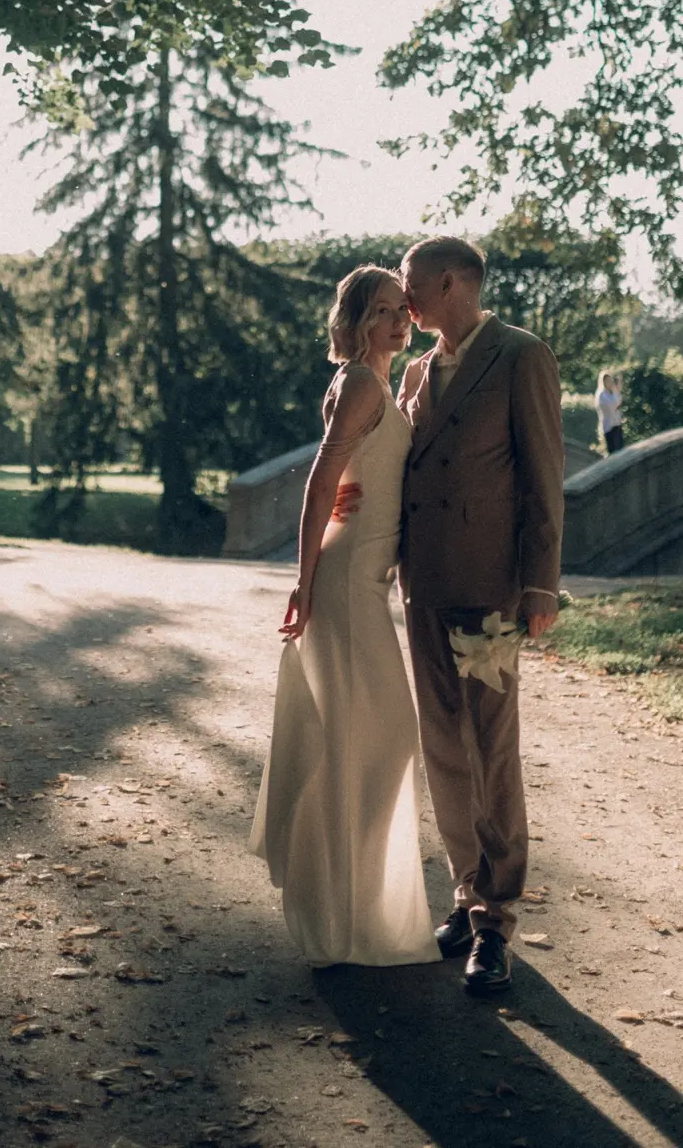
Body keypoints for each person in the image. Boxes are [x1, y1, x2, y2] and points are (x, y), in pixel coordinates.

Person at [250, 266, 440, 968]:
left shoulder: (382, 384)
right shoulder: (360, 382)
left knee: (363, 744)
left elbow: (364, 470)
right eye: (380, 311)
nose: (396, 322)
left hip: (367, 579)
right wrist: (303, 583)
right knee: (381, 741)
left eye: (401, 310)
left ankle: (348, 906)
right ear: (355, 321)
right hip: (346, 583)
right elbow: (320, 480)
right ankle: (344, 912)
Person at [395, 236, 564, 996]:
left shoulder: (521, 356)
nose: (404, 296)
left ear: (452, 282)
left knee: (490, 746)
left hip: (490, 588)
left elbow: (543, 478)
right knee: (442, 744)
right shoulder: (415, 370)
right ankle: (467, 894)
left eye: (411, 282)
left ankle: (496, 918)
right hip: (423, 585)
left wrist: (540, 585)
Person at [595, 370, 624, 455]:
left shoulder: (613, 392)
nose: (610, 383)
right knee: (613, 450)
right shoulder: (602, 395)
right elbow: (611, 406)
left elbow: (618, 402)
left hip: (617, 423)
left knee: (620, 449)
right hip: (609, 426)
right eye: (608, 381)